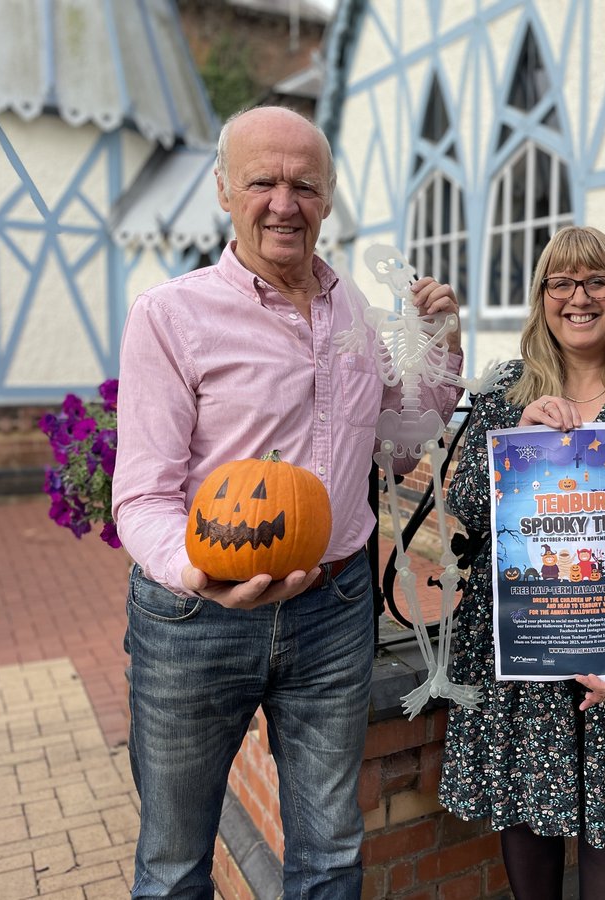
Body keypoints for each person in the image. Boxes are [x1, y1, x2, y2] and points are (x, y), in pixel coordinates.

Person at [111, 106, 463, 898]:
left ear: (328, 198)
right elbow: (141, 492)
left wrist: (441, 342)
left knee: (332, 852)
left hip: (333, 609)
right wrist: (193, 571)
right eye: (262, 182)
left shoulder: (354, 314)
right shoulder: (172, 316)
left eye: (303, 185)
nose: (283, 202)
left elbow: (402, 443)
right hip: (197, 618)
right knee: (173, 865)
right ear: (224, 192)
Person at [439, 225, 605, 900]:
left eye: (595, 281)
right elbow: (467, 504)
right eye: (560, 283)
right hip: (525, 639)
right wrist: (515, 440)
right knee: (529, 801)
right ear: (541, 298)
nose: (577, 298)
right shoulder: (507, 394)